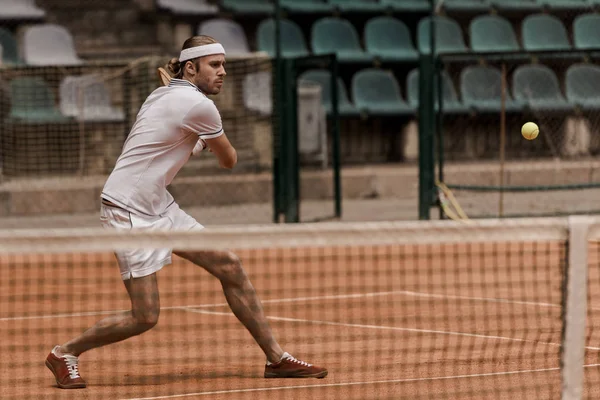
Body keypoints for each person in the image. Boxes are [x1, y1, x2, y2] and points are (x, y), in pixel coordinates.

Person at [45, 36, 328, 389]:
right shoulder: (200, 108)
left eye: (224, 64)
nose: (223, 72)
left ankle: (276, 359)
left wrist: (197, 141)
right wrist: (207, 139)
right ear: (191, 68)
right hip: (128, 210)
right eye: (215, 65)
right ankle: (64, 353)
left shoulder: (161, 95)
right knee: (144, 317)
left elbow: (168, 143)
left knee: (230, 266)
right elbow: (229, 160)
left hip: (159, 203)